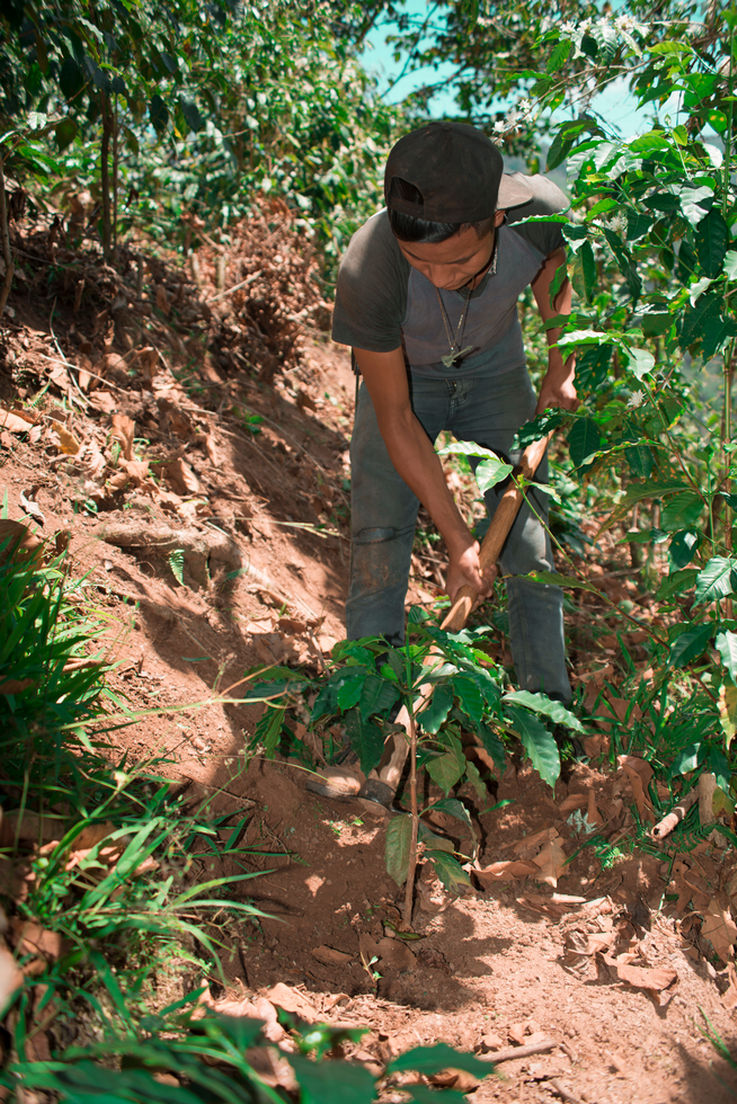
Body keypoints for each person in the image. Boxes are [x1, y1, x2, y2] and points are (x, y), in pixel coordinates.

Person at [332, 119, 577, 717]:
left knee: (527, 543)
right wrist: (458, 538)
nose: (442, 278)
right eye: (422, 263)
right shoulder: (369, 269)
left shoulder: (538, 211)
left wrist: (560, 360)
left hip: (495, 372)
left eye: (459, 260)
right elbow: (394, 417)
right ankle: (369, 709)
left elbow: (554, 264)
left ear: (494, 218)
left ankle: (546, 704)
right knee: (379, 535)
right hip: (406, 381)